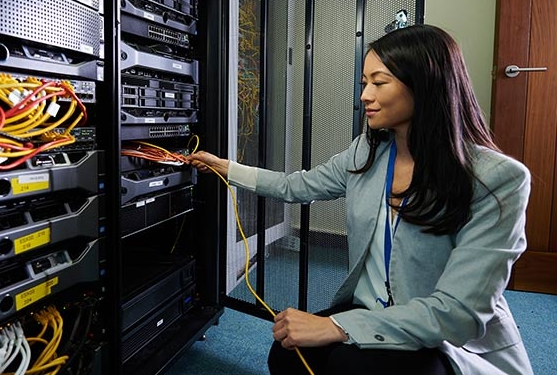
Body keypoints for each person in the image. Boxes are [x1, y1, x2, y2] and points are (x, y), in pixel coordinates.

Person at [187, 24, 533, 375]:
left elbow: (457, 314)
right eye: (363, 84)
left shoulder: (497, 180)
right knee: (287, 354)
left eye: (379, 83)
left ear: (426, 85)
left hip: (446, 340)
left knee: (351, 364)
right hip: (370, 311)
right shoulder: (367, 152)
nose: (366, 95)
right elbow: (296, 186)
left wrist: (337, 327)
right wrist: (224, 167)